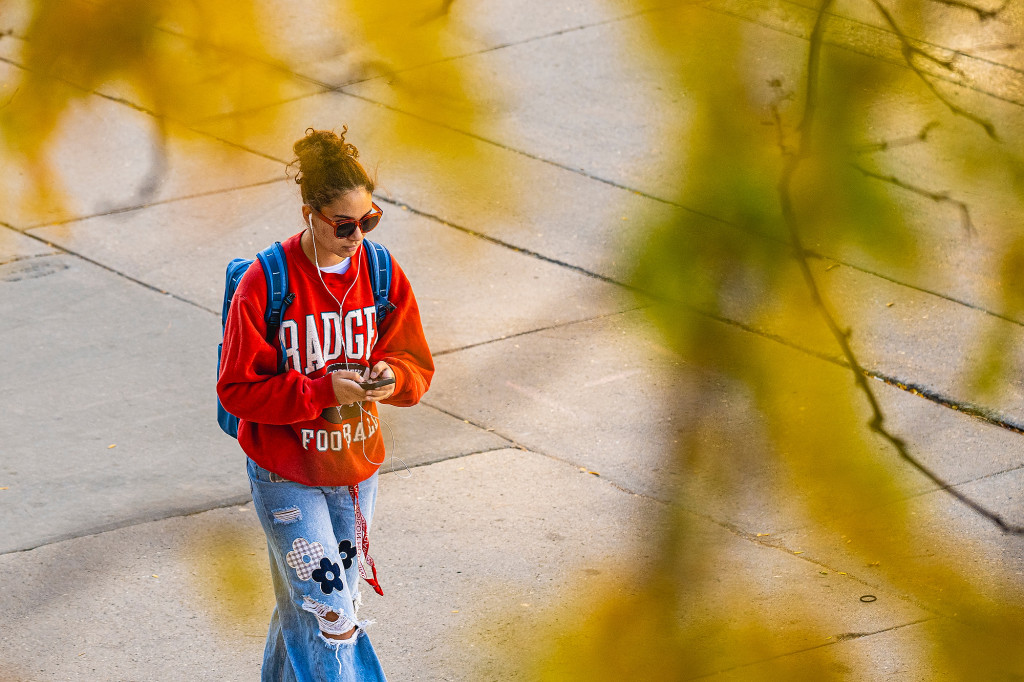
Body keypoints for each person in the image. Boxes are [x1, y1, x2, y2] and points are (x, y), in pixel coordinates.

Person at [217, 126, 433, 681]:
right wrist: (320, 391)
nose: (356, 235)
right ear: (310, 212)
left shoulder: (381, 272)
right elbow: (236, 389)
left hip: (354, 472)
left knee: (306, 605)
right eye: (343, 224)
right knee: (332, 613)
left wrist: (392, 376)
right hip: (285, 473)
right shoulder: (268, 281)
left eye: (369, 220)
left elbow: (417, 366)